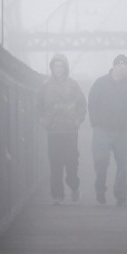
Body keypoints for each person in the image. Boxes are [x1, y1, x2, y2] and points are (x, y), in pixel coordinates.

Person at [87, 54, 127, 206]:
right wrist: (95, 123)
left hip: (124, 131)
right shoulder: (100, 83)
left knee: (123, 165)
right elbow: (92, 104)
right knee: (101, 162)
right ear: (117, 65)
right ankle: (100, 189)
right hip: (102, 130)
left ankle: (121, 195)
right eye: (126, 66)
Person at [36, 53, 87, 205]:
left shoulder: (73, 85)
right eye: (55, 66)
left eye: (61, 66)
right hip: (53, 131)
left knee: (72, 162)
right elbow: (38, 106)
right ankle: (57, 196)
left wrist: (77, 120)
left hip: (70, 130)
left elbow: (82, 105)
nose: (58, 69)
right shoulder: (45, 86)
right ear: (52, 67)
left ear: (65, 68)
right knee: (55, 163)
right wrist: (42, 121)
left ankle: (74, 185)